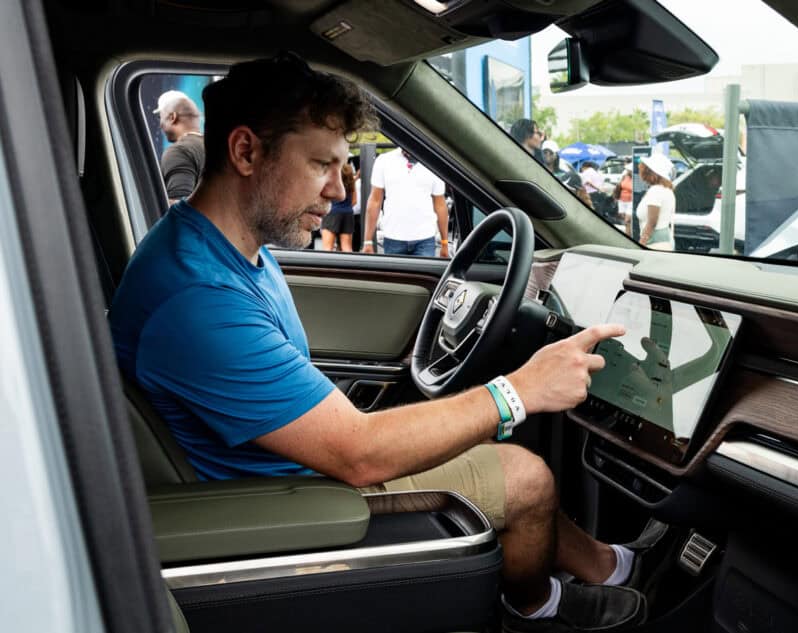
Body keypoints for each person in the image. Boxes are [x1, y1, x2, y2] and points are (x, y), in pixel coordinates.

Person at [109, 52, 650, 633]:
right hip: (277, 501)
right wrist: (519, 391)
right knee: (526, 477)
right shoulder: (198, 298)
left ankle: (607, 565)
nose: (341, 192)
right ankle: (538, 608)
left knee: (462, 442)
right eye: (322, 165)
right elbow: (359, 453)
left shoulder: (223, 247)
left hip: (276, 465)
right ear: (245, 152)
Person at [361, 148, 449, 257]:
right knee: (395, 275)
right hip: (393, 238)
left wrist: (445, 243)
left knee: (423, 274)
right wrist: (367, 241)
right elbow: (374, 201)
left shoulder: (434, 163)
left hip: (425, 238)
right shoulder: (384, 160)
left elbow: (440, 205)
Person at [153, 90, 205, 203]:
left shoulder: (179, 151)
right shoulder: (220, 147)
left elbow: (180, 207)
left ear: (172, 117)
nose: (160, 125)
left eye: (160, 117)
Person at [635, 154, 677, 250]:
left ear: (649, 172)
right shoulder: (667, 189)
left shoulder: (655, 191)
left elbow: (652, 221)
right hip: (664, 240)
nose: (640, 171)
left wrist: (642, 242)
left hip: (653, 243)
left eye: (643, 168)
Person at [320, 162, 356, 252]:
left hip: (332, 213)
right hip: (348, 214)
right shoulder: (352, 183)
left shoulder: (331, 182)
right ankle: (349, 266)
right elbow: (355, 201)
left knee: (328, 248)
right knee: (347, 248)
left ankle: (327, 266)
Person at [614, 169, 633, 236]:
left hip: (631, 201)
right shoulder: (625, 176)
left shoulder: (637, 178)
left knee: (628, 219)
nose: (628, 171)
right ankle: (628, 233)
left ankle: (628, 235)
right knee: (623, 218)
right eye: (628, 170)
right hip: (622, 200)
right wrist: (616, 197)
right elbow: (619, 186)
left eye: (629, 170)